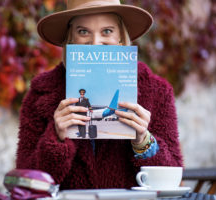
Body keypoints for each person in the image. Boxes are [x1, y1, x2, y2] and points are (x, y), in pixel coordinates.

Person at [16, 0, 183, 190]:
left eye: (107, 31)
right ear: (70, 40)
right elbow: (24, 183)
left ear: (121, 38)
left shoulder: (157, 91)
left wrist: (143, 141)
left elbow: (172, 179)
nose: (95, 43)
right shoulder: (41, 93)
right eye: (83, 31)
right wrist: (56, 139)